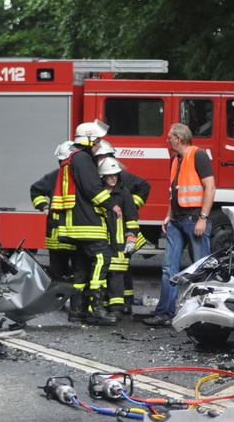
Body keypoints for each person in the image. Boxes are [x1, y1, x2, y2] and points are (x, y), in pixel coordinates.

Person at [143, 123, 215, 327]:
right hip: (177, 220)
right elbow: (174, 191)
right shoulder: (176, 158)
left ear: (179, 139)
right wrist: (168, 215)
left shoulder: (198, 155)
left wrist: (203, 217)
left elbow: (210, 187)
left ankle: (205, 315)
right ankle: (165, 313)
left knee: (202, 269)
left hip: (193, 219)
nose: (167, 140)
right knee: (169, 268)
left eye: (170, 137)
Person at [55, 121, 118, 326]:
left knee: (81, 265)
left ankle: (77, 310)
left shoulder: (73, 158)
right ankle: (97, 310)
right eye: (98, 141)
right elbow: (92, 188)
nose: (100, 145)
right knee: (102, 258)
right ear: (89, 139)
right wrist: (111, 206)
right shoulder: (82, 159)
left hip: (76, 223)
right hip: (88, 223)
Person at [93, 140, 150, 314]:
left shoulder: (122, 187)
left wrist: (129, 207)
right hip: (103, 238)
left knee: (119, 272)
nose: (113, 177)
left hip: (121, 238)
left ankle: (119, 306)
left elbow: (133, 216)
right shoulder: (95, 186)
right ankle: (104, 303)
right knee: (104, 273)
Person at [29, 141, 77, 308]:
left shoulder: (80, 176)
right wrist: (44, 206)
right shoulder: (54, 177)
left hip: (73, 235)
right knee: (58, 272)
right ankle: (59, 302)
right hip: (59, 236)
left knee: (75, 271)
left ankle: (72, 301)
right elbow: (36, 190)